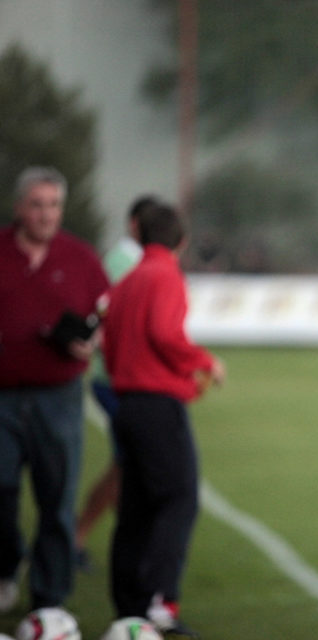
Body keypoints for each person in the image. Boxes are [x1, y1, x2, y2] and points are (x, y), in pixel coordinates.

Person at [101, 201, 225, 637]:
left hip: (127, 403)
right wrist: (204, 362)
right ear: (181, 241)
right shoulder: (166, 275)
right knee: (178, 499)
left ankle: (129, 605)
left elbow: (110, 343)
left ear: (139, 236)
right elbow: (164, 333)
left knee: (135, 506)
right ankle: (159, 601)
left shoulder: (128, 279)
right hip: (157, 406)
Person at [0, 167, 110, 614]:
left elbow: (105, 315)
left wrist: (92, 339)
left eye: (53, 205)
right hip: (2, 396)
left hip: (59, 397)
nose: (46, 214)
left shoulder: (81, 259)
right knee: (0, 491)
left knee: (57, 498)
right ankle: (6, 568)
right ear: (19, 207)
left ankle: (50, 598)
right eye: (37, 204)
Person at [74, 195, 157, 570]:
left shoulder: (138, 260)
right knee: (132, 463)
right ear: (135, 225)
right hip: (118, 379)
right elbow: (105, 313)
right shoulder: (125, 261)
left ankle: (84, 536)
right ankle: (82, 537)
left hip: (129, 378)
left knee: (130, 463)